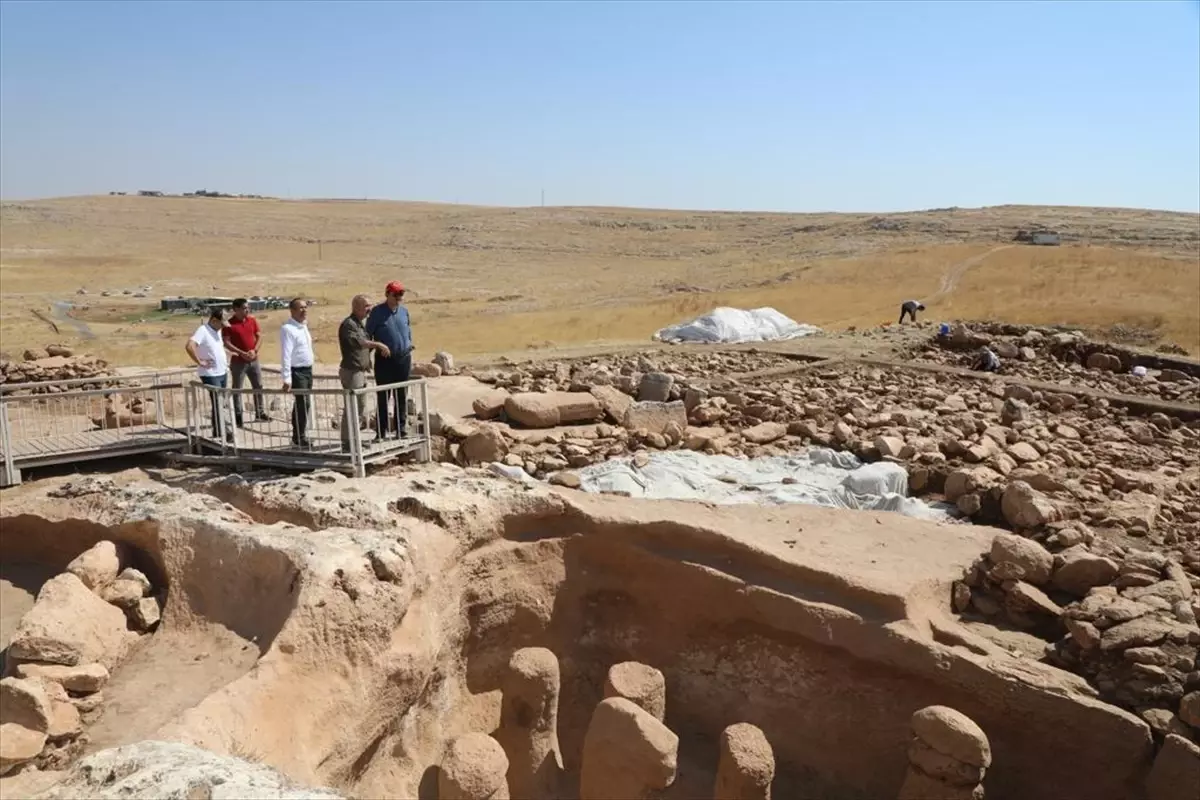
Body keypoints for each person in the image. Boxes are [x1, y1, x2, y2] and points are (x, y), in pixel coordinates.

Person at [338, 294, 391, 452]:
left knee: (359, 408)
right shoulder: (349, 324)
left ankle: (353, 440)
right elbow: (360, 343)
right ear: (356, 307)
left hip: (360, 371)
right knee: (352, 407)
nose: (370, 309)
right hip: (352, 371)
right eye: (366, 306)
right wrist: (379, 345)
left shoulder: (360, 324)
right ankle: (348, 443)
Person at [365, 281, 415, 439]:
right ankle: (381, 432)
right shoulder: (377, 313)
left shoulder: (404, 312)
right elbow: (368, 336)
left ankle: (401, 430)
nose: (399, 297)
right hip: (385, 360)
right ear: (387, 294)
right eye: (396, 294)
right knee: (383, 396)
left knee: (401, 394)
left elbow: (407, 331)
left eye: (401, 294)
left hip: (403, 358)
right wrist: (367, 357)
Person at [185, 308, 233, 442]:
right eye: (221, 324)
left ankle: (219, 430)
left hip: (222, 371)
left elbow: (215, 347)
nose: (223, 327)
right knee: (218, 401)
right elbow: (190, 345)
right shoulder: (203, 330)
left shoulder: (217, 331)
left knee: (221, 402)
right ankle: (225, 431)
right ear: (214, 320)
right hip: (210, 373)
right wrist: (199, 361)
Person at [222, 298, 270, 427]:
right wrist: (241, 352)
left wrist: (254, 350)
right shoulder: (229, 324)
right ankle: (238, 415)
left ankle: (260, 412)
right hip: (238, 361)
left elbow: (259, 336)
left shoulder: (252, 320)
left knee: (258, 386)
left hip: (254, 360)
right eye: (244, 308)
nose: (247, 310)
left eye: (248, 307)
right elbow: (226, 342)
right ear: (236, 309)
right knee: (237, 388)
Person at [280, 297, 315, 447]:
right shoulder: (288, 329)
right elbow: (286, 354)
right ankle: (299, 437)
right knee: (303, 403)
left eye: (305, 307)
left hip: (307, 370)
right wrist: (286, 378)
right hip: (297, 371)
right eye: (300, 308)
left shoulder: (303, 326)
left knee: (304, 403)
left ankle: (299, 434)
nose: (304, 310)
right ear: (292, 310)